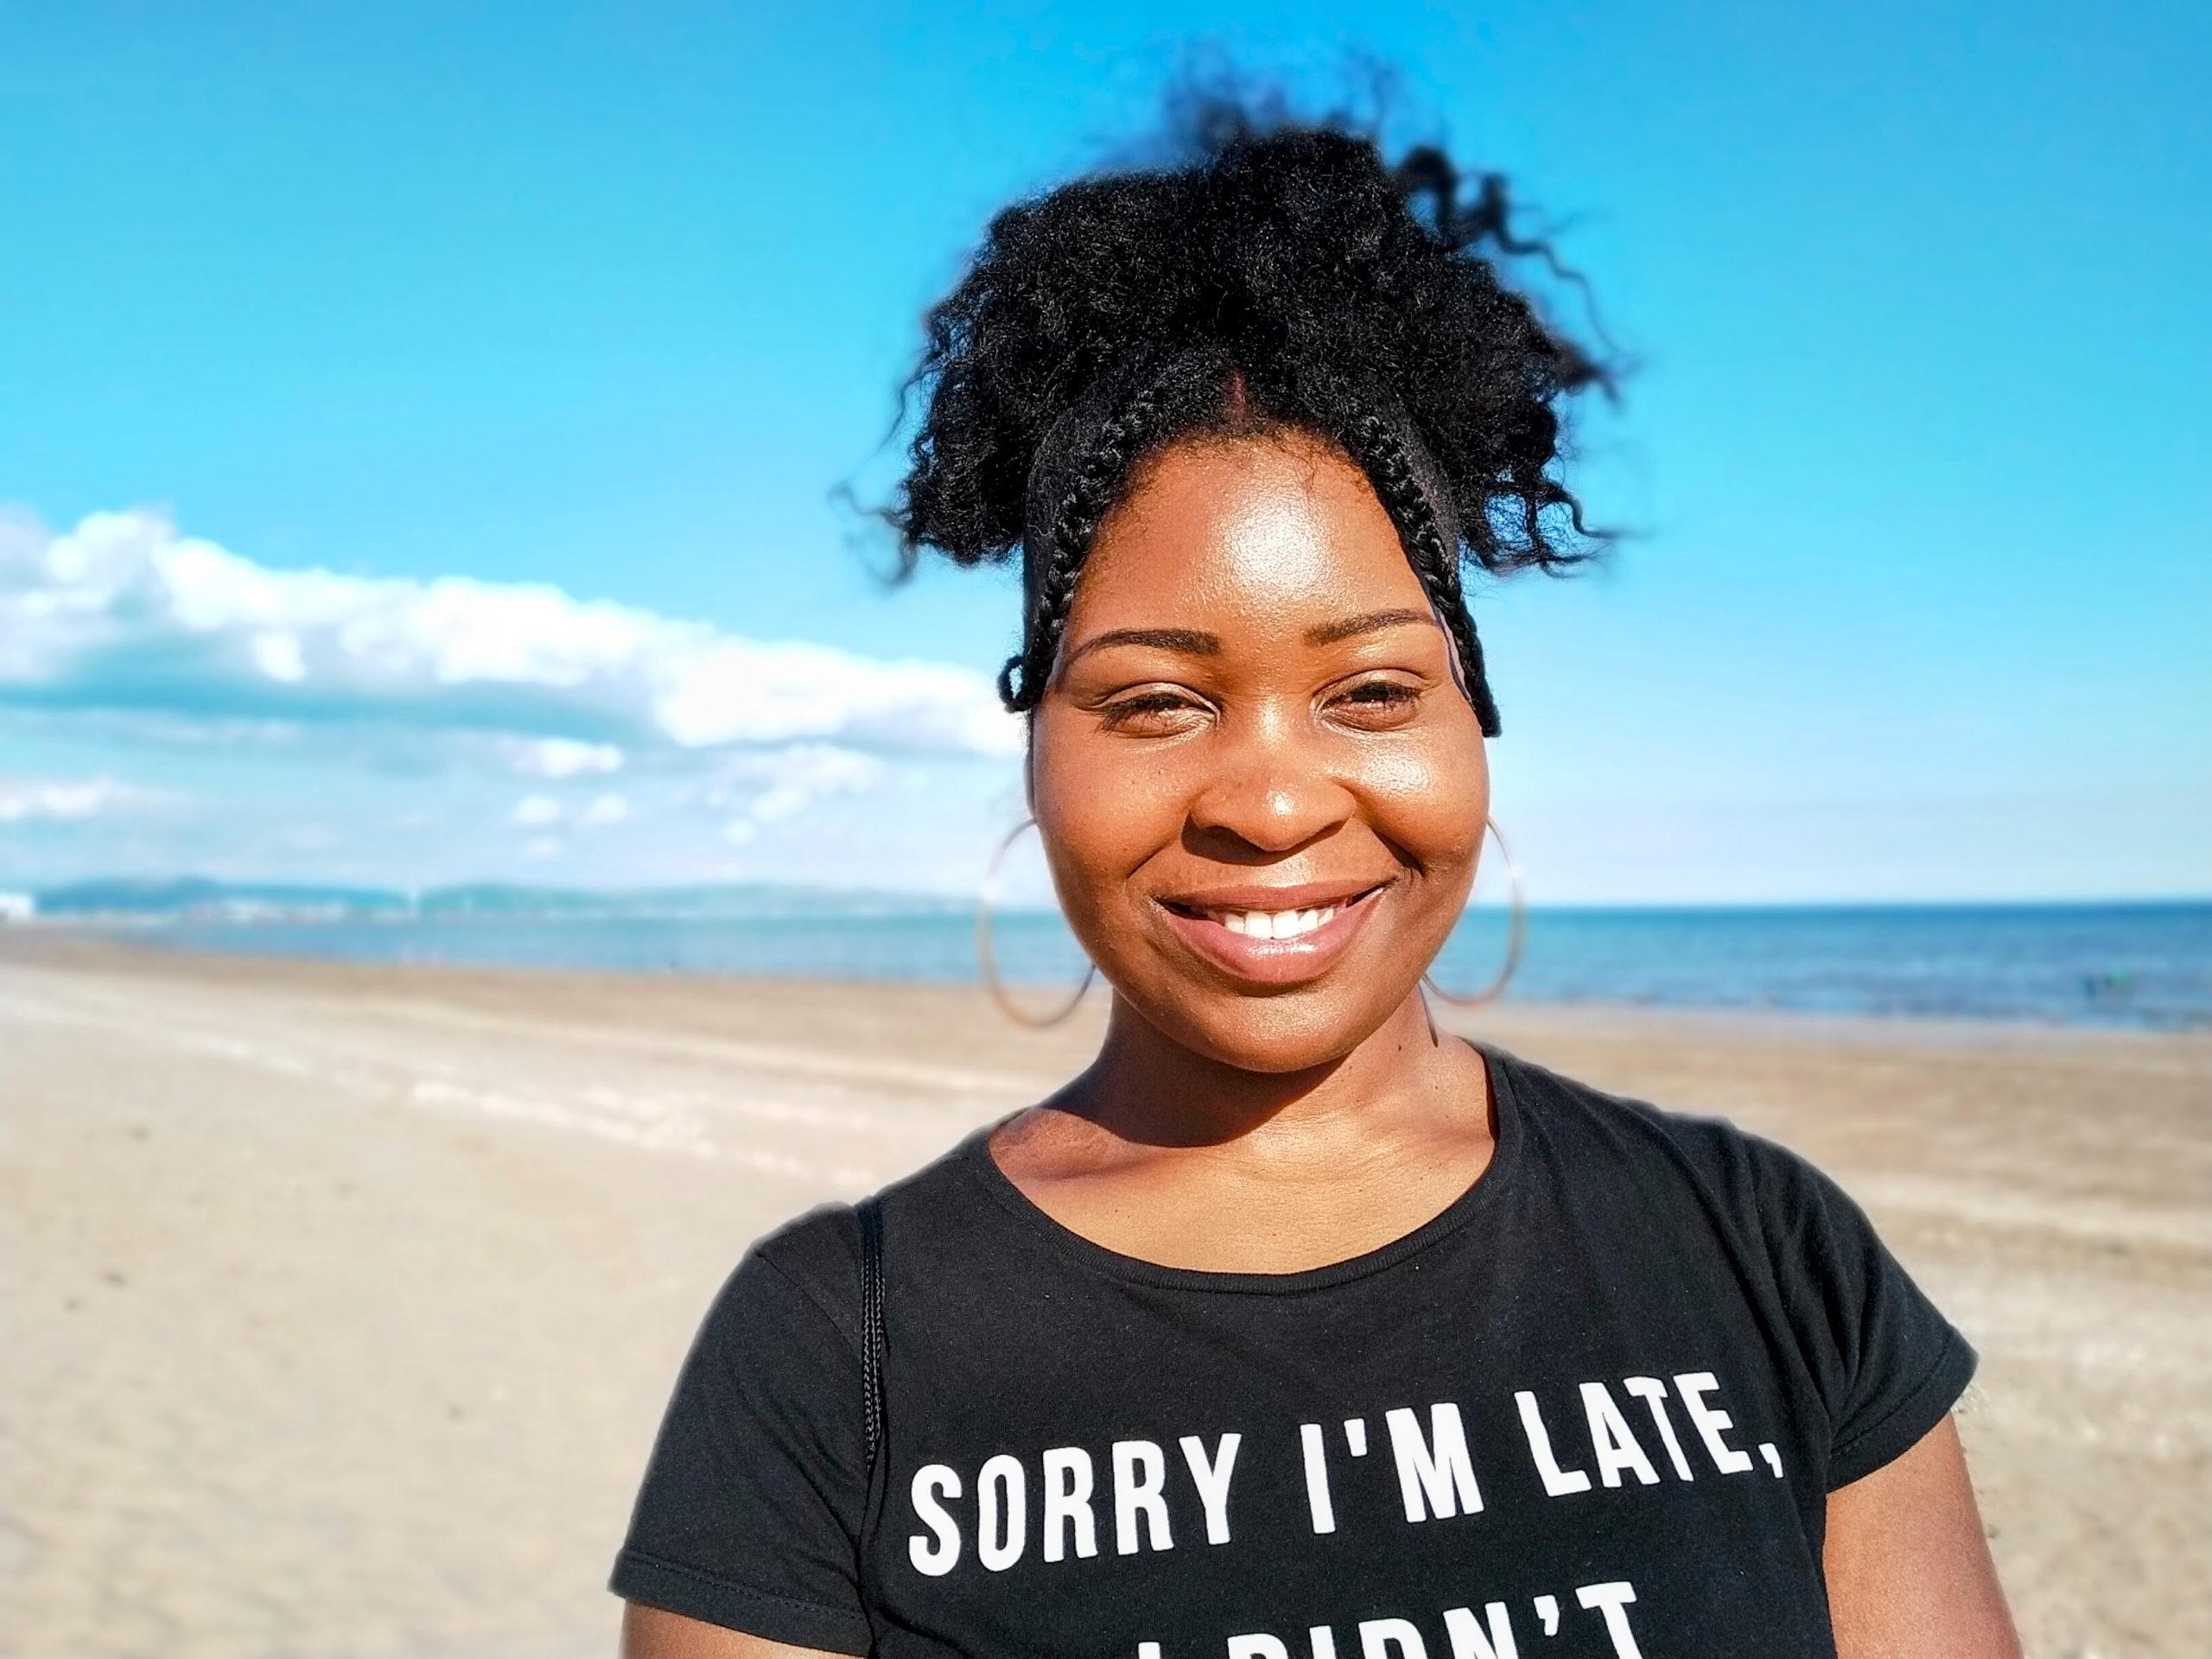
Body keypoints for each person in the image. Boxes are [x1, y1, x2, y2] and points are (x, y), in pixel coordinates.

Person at [611, 99, 2019, 1659]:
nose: (1273, 802)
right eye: (1155, 701)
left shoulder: (1758, 1249)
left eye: (1372, 693)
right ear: (1035, 756)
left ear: (1474, 726)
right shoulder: (833, 1354)